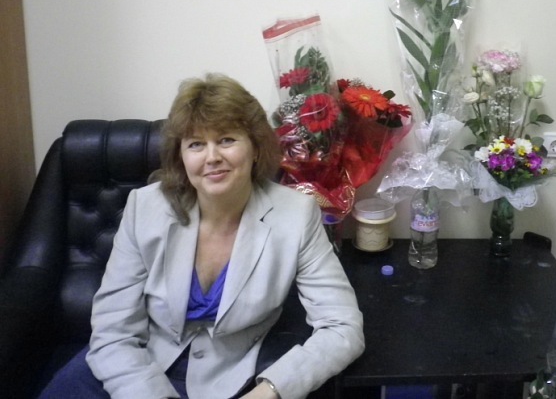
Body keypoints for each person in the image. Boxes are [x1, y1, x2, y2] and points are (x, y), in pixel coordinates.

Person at [39, 73, 364, 399]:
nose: (212, 157)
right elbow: (113, 329)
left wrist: (270, 390)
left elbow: (343, 327)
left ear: (255, 147)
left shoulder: (296, 214)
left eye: (226, 140)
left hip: (231, 377)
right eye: (196, 144)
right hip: (132, 367)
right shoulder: (145, 207)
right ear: (181, 156)